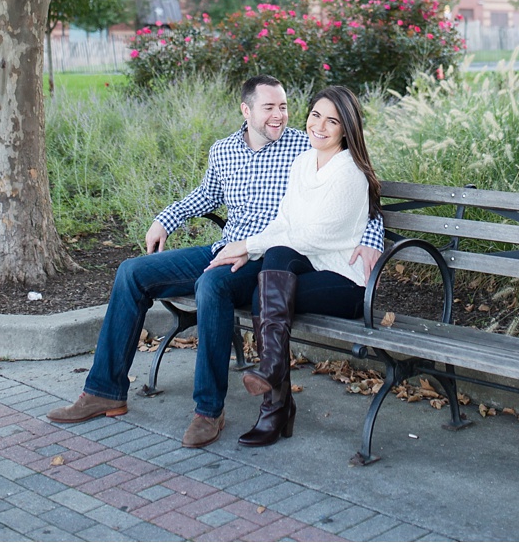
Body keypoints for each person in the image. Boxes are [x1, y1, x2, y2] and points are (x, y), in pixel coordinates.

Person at [46, 75, 385, 449]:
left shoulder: (305, 145)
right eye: (269, 108)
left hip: (267, 257)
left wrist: (371, 239)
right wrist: (166, 218)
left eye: (284, 107)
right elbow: (205, 195)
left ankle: (208, 410)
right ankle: (105, 390)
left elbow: (358, 193)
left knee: (212, 285)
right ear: (246, 110)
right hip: (227, 247)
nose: (279, 117)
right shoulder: (224, 151)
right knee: (132, 272)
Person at [203, 85, 382, 447]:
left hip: (346, 282)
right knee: (271, 272)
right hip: (312, 268)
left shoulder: (349, 173)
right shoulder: (303, 162)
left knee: (266, 288)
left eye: (332, 120)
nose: (320, 125)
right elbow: (284, 224)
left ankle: (275, 404)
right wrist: (250, 251)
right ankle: (276, 399)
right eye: (316, 115)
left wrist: (248, 244)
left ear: (345, 129)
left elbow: (312, 236)